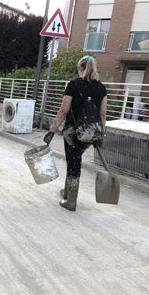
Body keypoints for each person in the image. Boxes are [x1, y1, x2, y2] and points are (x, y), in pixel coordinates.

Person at [44, 55, 107, 211]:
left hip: (72, 132)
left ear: (80, 68)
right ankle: (67, 191)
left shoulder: (73, 84)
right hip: (91, 132)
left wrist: (53, 127)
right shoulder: (101, 87)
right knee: (75, 159)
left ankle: (71, 201)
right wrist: (101, 134)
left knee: (73, 163)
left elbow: (64, 109)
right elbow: (103, 113)